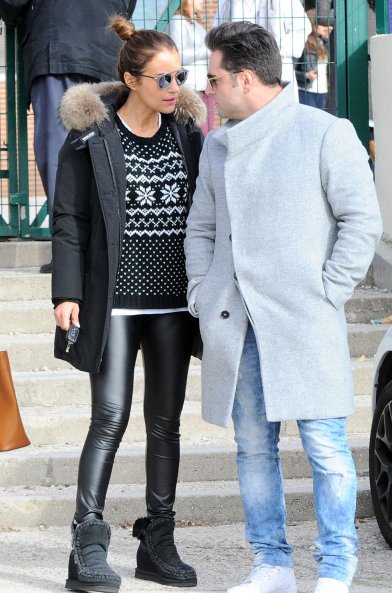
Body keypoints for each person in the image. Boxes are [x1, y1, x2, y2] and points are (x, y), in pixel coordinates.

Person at [185, 21, 382, 593]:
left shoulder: (324, 131)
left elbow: (361, 220)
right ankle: (271, 565)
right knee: (252, 450)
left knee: (325, 448)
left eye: (215, 77)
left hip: (304, 318)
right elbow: (200, 228)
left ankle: (335, 569)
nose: (207, 88)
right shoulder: (217, 145)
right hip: (234, 319)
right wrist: (203, 292)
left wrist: (329, 290)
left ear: (244, 79)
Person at [52, 15, 206, 593]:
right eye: (164, 80)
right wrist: (67, 293)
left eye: (181, 77)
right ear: (131, 79)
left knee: (166, 426)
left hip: (171, 302)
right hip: (112, 302)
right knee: (110, 418)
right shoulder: (91, 138)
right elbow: (68, 221)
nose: (176, 89)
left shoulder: (186, 132)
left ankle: (158, 541)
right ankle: (86, 543)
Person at [0, 0, 136, 273]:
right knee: (108, 152)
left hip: (58, 47)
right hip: (108, 51)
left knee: (59, 158)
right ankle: (112, 249)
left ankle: (70, 256)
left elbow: (12, 6)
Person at [215, 0, 311, 98]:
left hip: (275, 65)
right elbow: (219, 30)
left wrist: (278, 51)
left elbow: (302, 28)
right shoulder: (227, 2)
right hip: (239, 66)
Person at [167, 0, 215, 135]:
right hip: (191, 89)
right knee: (195, 132)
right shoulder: (177, 21)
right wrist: (208, 51)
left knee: (207, 131)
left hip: (204, 87)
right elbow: (178, 54)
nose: (203, 2)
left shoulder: (196, 24)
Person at [295, 8, 334, 110]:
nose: (327, 27)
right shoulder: (304, 43)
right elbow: (291, 69)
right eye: (322, 23)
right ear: (314, 24)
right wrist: (305, 75)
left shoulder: (324, 43)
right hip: (306, 91)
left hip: (322, 91)